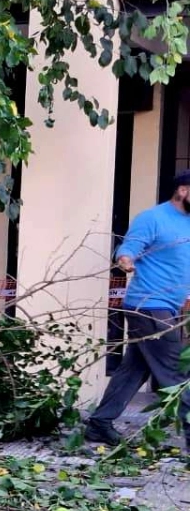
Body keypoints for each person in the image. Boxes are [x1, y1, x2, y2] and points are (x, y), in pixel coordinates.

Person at [85, 170, 190, 446]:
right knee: (179, 373)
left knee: (134, 368)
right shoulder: (153, 218)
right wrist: (125, 260)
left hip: (170, 306)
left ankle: (99, 423)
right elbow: (129, 247)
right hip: (149, 305)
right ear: (182, 190)